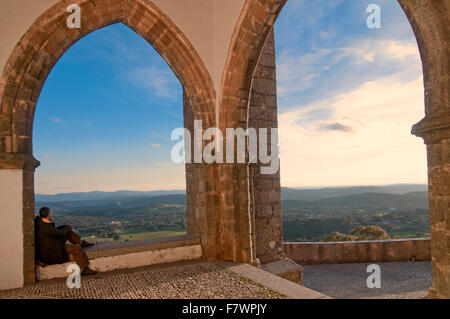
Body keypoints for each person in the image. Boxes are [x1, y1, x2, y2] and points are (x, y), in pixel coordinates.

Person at [35, 207, 97, 276]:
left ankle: (81, 242)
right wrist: (67, 227)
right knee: (77, 249)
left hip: (53, 243)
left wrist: (65, 227)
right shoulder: (45, 227)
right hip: (53, 250)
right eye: (50, 213)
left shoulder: (41, 222)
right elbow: (61, 233)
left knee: (68, 232)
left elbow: (55, 231)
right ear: (48, 214)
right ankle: (84, 269)